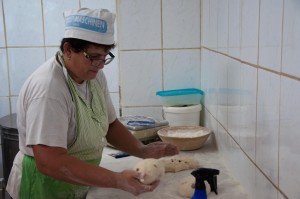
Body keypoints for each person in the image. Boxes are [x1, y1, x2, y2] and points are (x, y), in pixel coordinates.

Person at [6, 8, 178, 199]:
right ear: (68, 50)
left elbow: (110, 125)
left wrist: (142, 150)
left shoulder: (94, 76)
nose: (101, 64)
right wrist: (117, 179)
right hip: (43, 186)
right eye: (93, 57)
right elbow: (49, 162)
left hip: (77, 181)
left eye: (105, 56)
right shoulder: (49, 90)